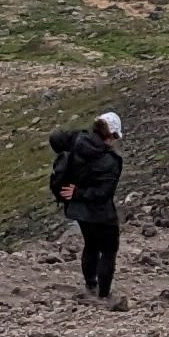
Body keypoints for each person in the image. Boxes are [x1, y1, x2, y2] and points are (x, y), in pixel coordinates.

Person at [47, 110, 127, 306]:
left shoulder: (77, 140)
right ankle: (104, 294)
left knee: (90, 245)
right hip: (100, 212)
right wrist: (81, 193)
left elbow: (56, 138)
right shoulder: (111, 160)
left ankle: (90, 285)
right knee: (108, 250)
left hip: (78, 209)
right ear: (112, 135)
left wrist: (74, 193)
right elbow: (104, 193)